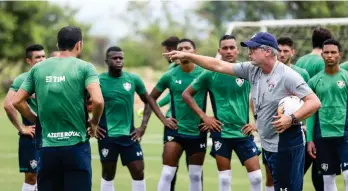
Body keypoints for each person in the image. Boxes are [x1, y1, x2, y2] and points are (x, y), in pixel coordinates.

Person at [163, 32, 322, 191]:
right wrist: (188, 56)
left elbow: (314, 102)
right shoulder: (252, 69)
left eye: (253, 49)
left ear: (267, 51)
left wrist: (292, 118)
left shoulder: (288, 76)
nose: (249, 52)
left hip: (287, 143)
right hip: (269, 144)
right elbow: (217, 65)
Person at [12, 26, 104, 191]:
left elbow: (17, 101)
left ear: (57, 44)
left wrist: (36, 119)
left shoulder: (38, 69)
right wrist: (95, 123)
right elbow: (98, 100)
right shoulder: (86, 68)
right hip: (76, 146)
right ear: (79, 45)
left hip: (48, 148)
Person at [182, 35, 262, 191]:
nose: (229, 51)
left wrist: (257, 122)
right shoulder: (209, 74)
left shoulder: (247, 70)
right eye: (225, 48)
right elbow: (186, 94)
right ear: (219, 51)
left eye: (232, 47)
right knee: (224, 180)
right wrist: (204, 117)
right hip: (221, 133)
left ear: (238, 50)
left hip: (243, 132)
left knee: (257, 177)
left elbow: (260, 97)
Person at [98, 46, 176, 191]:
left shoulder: (132, 79)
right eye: (114, 58)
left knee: (138, 171)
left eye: (121, 58)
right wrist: (90, 123)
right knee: (108, 174)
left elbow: (149, 100)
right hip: (107, 135)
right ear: (106, 61)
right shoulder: (98, 81)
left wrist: (143, 126)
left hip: (129, 135)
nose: (118, 60)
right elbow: (82, 102)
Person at [145, 39, 207, 191]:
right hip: (175, 129)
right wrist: (163, 119)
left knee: (195, 175)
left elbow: (219, 97)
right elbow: (151, 97)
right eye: (180, 48)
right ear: (176, 53)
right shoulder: (170, 75)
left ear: (195, 52)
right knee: (167, 173)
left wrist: (211, 119)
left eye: (187, 48)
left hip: (198, 129)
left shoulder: (205, 74)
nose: (184, 50)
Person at [276, 36, 324, 191]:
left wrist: (304, 124)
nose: (282, 54)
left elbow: (311, 101)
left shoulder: (301, 73)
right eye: (279, 50)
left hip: (297, 131)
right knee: (276, 176)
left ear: (293, 52)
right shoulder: (268, 72)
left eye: (285, 51)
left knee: (296, 176)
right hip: (274, 130)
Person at [307, 39, 348, 191]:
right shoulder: (314, 81)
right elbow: (311, 113)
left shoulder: (346, 78)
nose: (330, 55)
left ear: (340, 55)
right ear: (322, 55)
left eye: (333, 52)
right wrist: (310, 139)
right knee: (328, 180)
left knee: (347, 176)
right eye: (327, 52)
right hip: (323, 136)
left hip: (345, 135)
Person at [3, 44, 46, 191]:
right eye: (37, 57)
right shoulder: (23, 79)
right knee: (31, 177)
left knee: (48, 176)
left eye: (43, 56)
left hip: (51, 134)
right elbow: (8, 105)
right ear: (28, 61)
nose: (41, 59)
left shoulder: (51, 77)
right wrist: (21, 127)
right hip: (33, 135)